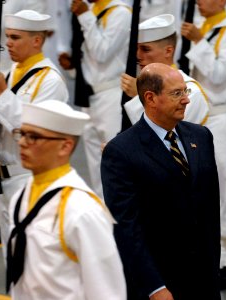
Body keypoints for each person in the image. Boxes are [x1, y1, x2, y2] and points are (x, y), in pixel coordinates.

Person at [101, 63, 221, 300]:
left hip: (203, 279)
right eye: (177, 94)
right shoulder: (122, 151)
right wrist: (154, 287)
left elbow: (210, 213)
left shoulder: (201, 136)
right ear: (150, 98)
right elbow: (127, 228)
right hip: (160, 284)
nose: (186, 100)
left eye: (185, 91)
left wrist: (212, 273)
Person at [0, 9, 69, 250]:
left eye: (15, 37)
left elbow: (34, 128)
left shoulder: (49, 80)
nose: (8, 44)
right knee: (10, 257)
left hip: (29, 178)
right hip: (4, 178)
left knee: (30, 254)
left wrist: (2, 92)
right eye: (8, 37)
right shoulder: (13, 73)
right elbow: (9, 121)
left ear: (36, 40)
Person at [7, 100, 126, 299]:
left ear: (65, 146)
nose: (21, 142)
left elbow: (106, 291)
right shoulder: (21, 197)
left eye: (33, 137)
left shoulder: (81, 210)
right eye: (22, 134)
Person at [180, 0, 226, 288]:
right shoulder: (202, 27)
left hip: (224, 117)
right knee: (203, 188)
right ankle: (213, 255)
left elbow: (219, 74)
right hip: (199, 119)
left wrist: (198, 41)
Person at [57, 0, 131, 199]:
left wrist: (84, 16)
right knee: (96, 167)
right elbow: (90, 57)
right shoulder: (90, 10)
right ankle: (103, 218)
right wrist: (73, 65)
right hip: (88, 98)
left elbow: (102, 53)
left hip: (111, 95)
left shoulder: (120, 13)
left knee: (115, 163)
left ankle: (120, 221)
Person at [122, 13, 209, 125]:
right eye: (137, 49)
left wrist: (139, 97)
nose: (138, 56)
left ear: (168, 51)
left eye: (146, 49)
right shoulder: (139, 84)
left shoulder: (191, 92)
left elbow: (166, 134)